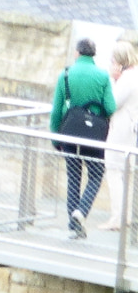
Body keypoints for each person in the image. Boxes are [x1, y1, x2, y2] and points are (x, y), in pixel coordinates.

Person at [51, 37, 116, 239]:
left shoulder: (66, 74)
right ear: (93, 54)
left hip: (69, 134)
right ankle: (82, 211)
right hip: (94, 137)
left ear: (77, 53)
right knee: (96, 174)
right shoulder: (103, 76)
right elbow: (111, 107)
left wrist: (56, 138)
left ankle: (74, 224)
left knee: (74, 177)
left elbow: (56, 111)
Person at [99, 41, 138, 230]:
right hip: (131, 129)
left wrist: (113, 80)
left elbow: (112, 103)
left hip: (121, 129)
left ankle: (117, 218)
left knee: (114, 171)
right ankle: (127, 216)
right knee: (128, 174)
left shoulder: (127, 79)